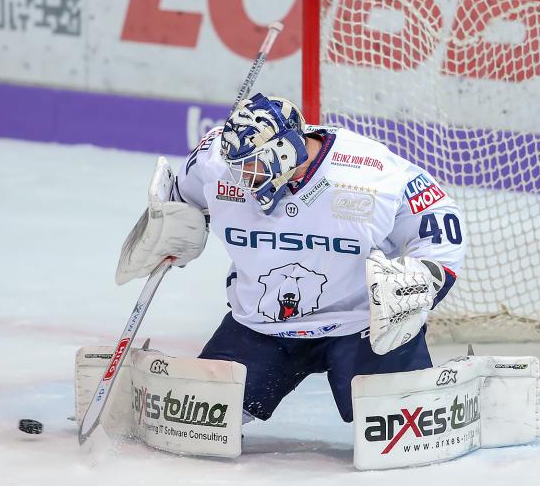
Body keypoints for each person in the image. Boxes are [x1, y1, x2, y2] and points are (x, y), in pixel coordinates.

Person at [118, 93, 465, 424]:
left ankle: (462, 388)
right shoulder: (214, 163)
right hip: (263, 323)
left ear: (286, 151)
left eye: (251, 166)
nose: (241, 178)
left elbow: (438, 217)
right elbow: (181, 197)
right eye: (236, 167)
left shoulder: (370, 172)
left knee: (400, 423)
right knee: (201, 420)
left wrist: (423, 275)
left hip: (360, 324)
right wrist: (173, 224)